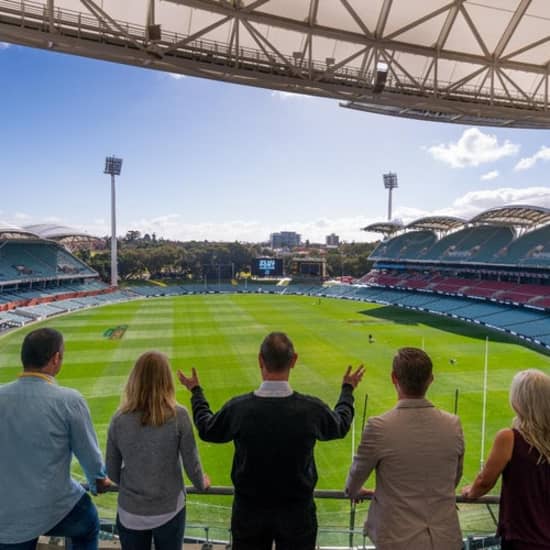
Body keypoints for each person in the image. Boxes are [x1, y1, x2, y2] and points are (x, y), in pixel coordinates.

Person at [178, 331, 364, 550]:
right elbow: (340, 424)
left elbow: (207, 428)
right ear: (294, 360)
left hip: (249, 512)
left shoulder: (240, 409)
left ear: (260, 360)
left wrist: (196, 392)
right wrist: (347, 390)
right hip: (297, 513)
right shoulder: (310, 409)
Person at [0, 328, 110, 549]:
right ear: (55, 358)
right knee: (89, 524)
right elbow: (92, 462)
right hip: (53, 507)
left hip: (6, 514)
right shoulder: (70, 400)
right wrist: (97, 483)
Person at [345, 347, 464, 550]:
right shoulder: (453, 424)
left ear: (393, 378)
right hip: (445, 539)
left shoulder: (379, 426)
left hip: (397, 540)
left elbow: (353, 482)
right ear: (431, 379)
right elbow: (454, 478)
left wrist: (356, 491)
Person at [106, 351, 209, 550]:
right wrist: (201, 483)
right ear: (166, 380)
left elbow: (112, 472)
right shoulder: (179, 415)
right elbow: (192, 465)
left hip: (130, 513)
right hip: (170, 510)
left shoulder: (119, 419)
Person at [462, 369, 550, 550]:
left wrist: (471, 492)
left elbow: (485, 482)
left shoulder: (510, 438)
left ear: (518, 400)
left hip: (523, 537)